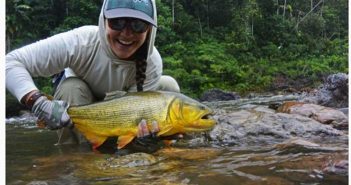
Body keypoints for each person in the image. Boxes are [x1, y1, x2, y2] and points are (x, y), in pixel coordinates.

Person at [6, 0, 180, 152]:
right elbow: (9, 63)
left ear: (150, 30)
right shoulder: (81, 41)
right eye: (117, 22)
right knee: (71, 87)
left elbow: (135, 117)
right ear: (104, 21)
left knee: (168, 86)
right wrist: (36, 101)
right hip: (79, 102)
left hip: (121, 114)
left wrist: (145, 138)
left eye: (138, 25)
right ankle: (75, 157)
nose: (127, 33)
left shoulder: (152, 62)